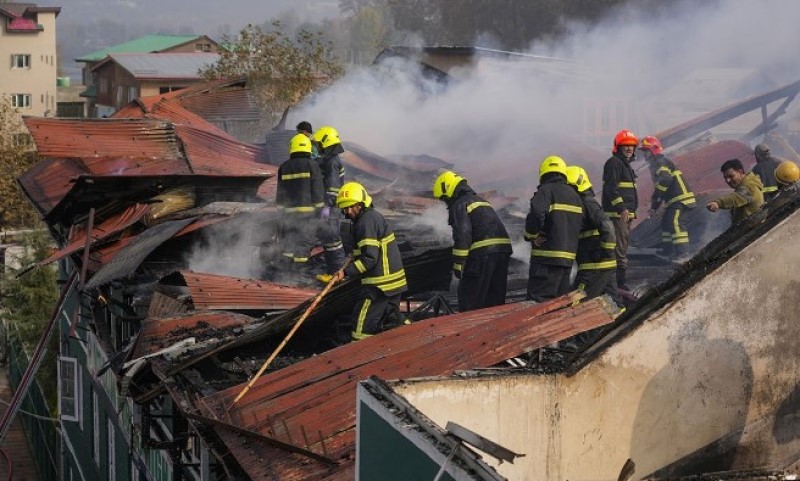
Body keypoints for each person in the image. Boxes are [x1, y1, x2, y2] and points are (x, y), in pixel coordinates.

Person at [333, 181, 407, 341]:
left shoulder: (366, 222)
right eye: (345, 208)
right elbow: (365, 251)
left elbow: (369, 258)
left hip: (380, 285)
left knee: (361, 326)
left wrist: (346, 272)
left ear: (362, 203)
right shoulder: (370, 218)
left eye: (352, 206)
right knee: (393, 321)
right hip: (393, 283)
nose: (349, 211)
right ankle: (412, 339)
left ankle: (357, 356)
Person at [433, 170, 512, 311]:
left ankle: (469, 330)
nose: (445, 203)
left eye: (444, 198)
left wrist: (459, 264)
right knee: (494, 301)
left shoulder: (459, 204)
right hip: (502, 252)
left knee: (470, 300)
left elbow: (463, 233)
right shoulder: (481, 201)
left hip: (482, 255)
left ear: (449, 190)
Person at [524, 156, 583, 302]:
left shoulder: (546, 190)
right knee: (559, 302)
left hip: (546, 259)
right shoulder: (575, 195)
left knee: (538, 302)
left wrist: (532, 235)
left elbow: (537, 213)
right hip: (567, 259)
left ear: (543, 174)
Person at [566, 165, 620, 304]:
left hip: (593, 266)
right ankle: (623, 321)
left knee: (575, 302)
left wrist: (605, 251)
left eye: (568, 188)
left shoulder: (587, 202)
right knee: (613, 301)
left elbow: (607, 226)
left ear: (576, 186)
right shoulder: (585, 202)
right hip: (601, 264)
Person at [640, 135, 697, 261]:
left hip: (681, 199)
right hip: (673, 201)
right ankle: (667, 250)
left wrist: (655, 196)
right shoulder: (655, 164)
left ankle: (683, 253)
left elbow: (665, 180)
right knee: (666, 223)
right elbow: (661, 187)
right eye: (643, 151)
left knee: (675, 222)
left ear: (654, 150)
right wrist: (654, 206)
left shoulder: (661, 162)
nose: (644, 154)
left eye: (646, 151)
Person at [276, 134, 325, 266]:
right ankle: (299, 273)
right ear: (308, 148)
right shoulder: (312, 165)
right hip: (307, 215)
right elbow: (317, 190)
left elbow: (280, 193)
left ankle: (285, 271)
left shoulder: (283, 167)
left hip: (288, 215)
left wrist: (281, 212)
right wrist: (320, 209)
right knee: (303, 244)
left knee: (289, 243)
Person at [602, 129, 639, 290]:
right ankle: (619, 285)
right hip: (618, 215)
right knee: (619, 250)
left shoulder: (625, 165)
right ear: (618, 147)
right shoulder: (614, 163)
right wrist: (622, 208)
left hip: (625, 214)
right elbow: (611, 188)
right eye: (626, 146)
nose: (630, 149)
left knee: (621, 248)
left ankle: (617, 284)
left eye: (632, 146)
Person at [312, 126, 346, 277]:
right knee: (328, 240)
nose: (317, 147)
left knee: (333, 242)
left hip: (331, 209)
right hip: (331, 208)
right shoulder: (330, 160)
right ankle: (333, 272)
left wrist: (326, 207)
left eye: (319, 144)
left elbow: (332, 190)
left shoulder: (332, 162)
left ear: (326, 144)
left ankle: (336, 275)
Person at [706, 158, 764, 223]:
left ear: (740, 172)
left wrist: (718, 203)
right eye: (725, 178)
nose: (728, 180)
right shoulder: (747, 183)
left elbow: (735, 197)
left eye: (731, 176)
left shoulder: (749, 187)